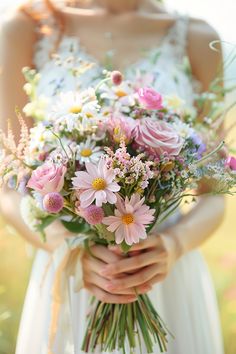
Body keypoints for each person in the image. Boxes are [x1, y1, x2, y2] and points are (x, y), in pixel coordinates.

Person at [0, 0, 225, 353]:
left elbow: (214, 195)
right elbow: (8, 187)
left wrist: (172, 245)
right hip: (72, 273)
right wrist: (70, 250)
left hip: (161, 274)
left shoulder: (197, 38)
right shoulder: (27, 27)